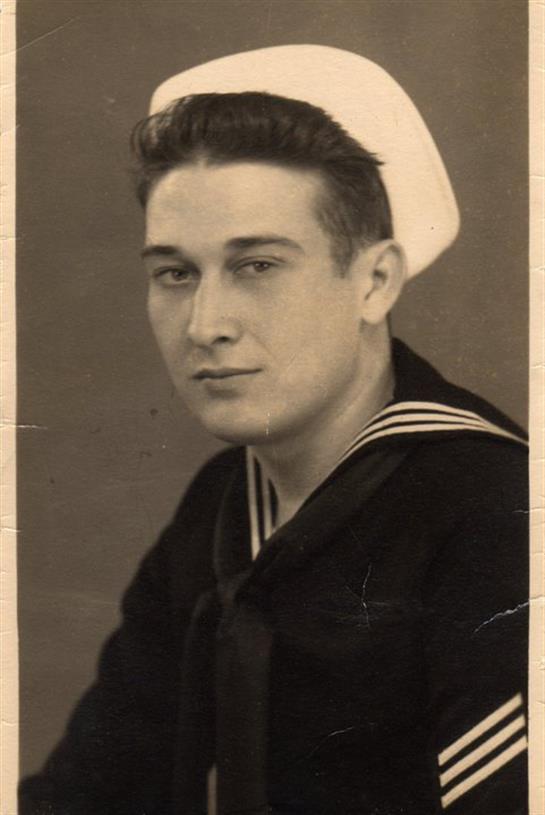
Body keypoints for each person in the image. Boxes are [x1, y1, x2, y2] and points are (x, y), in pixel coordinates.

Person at [19, 45, 528, 815]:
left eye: (256, 265)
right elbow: (87, 793)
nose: (205, 324)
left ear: (374, 280)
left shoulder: (495, 511)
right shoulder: (221, 506)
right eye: (174, 273)